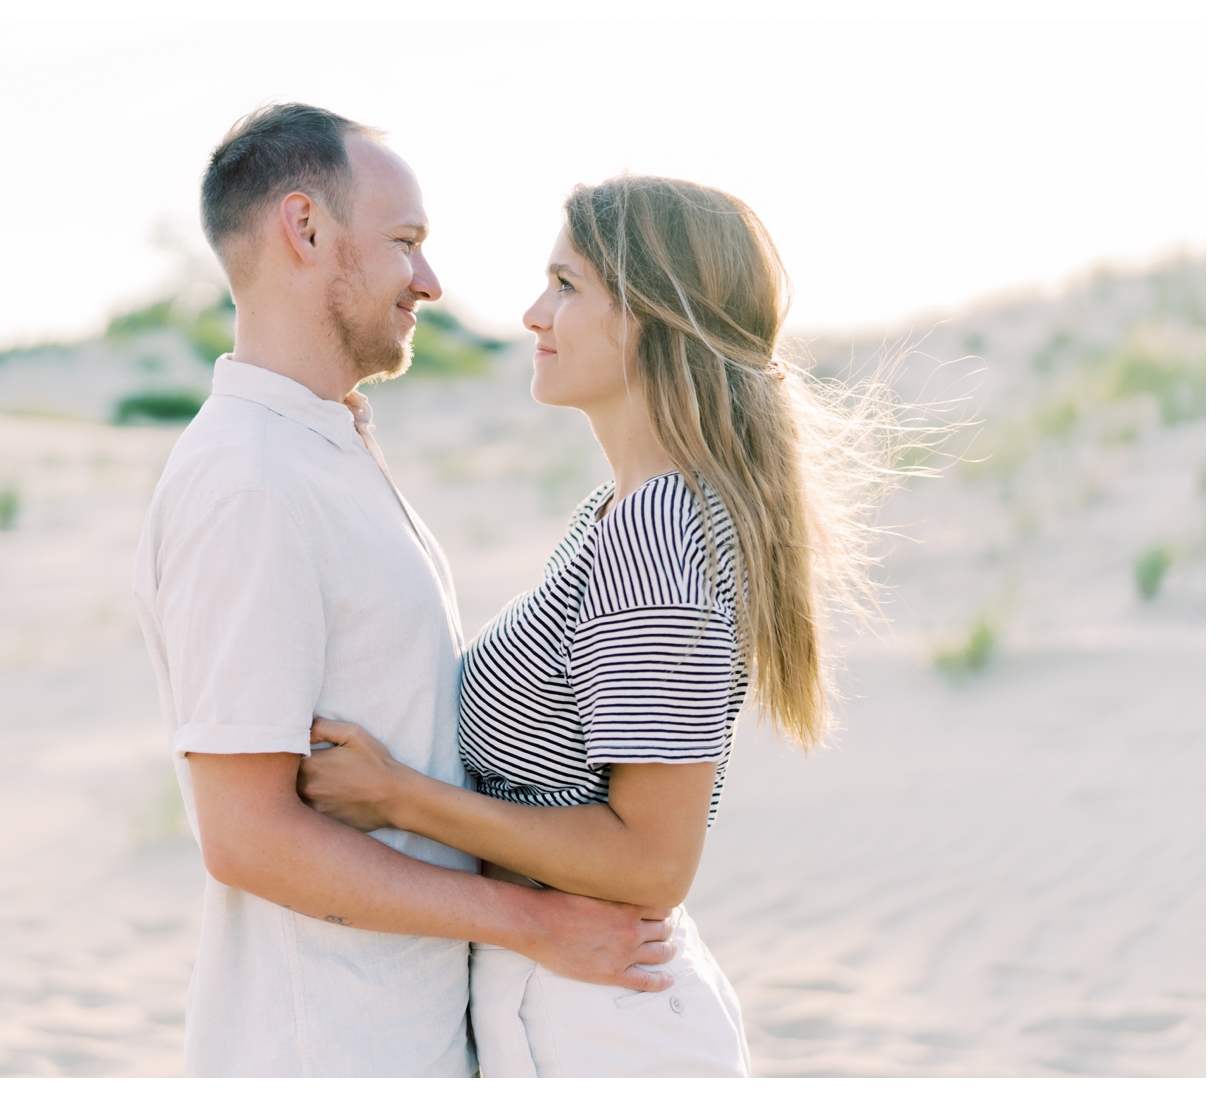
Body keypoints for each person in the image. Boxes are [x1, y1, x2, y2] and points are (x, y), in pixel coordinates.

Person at [299, 174, 894, 1076]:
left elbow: (654, 861)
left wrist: (399, 797)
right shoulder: (625, 516)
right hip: (573, 1003)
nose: (535, 313)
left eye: (568, 285)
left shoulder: (659, 532)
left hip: (602, 1023)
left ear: (657, 316)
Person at [132, 106, 680, 1079]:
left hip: (408, 1039)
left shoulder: (323, 448)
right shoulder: (248, 480)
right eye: (405, 244)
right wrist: (533, 922)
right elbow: (248, 836)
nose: (429, 281)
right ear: (304, 229)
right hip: (327, 1053)